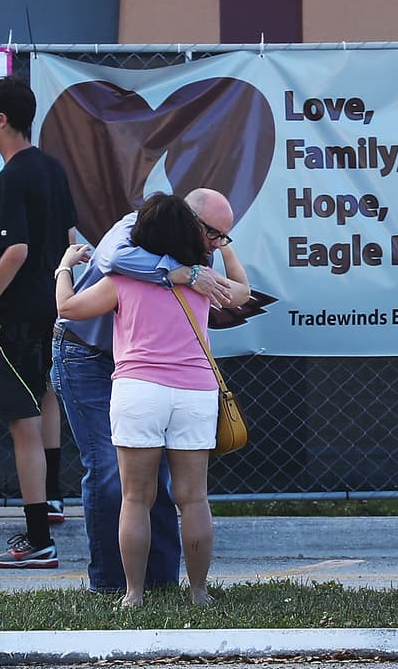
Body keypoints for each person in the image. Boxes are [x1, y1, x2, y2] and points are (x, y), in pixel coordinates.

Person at [55, 191, 251, 607]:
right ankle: (198, 592)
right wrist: (229, 254)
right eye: (215, 235)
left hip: (139, 389)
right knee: (193, 497)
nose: (217, 242)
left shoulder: (123, 279)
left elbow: (69, 309)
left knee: (135, 497)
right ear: (190, 229)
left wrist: (62, 268)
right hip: (196, 391)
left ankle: (132, 594)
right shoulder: (203, 278)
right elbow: (242, 293)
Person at [0, 76, 78, 568]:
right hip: (53, 312)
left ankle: (37, 540)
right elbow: (72, 236)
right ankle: (52, 498)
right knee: (46, 395)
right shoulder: (51, 168)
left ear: (1, 120)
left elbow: (16, 249)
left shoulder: (13, 174)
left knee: (22, 423)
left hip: (17, 315)